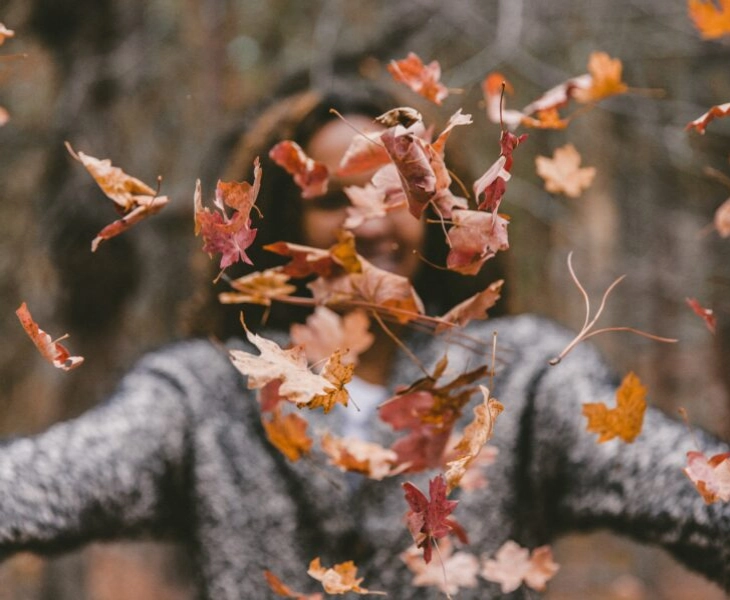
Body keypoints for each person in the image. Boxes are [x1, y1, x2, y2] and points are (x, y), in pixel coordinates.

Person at [1, 74, 729, 600]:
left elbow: (695, 495)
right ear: (282, 226)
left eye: (396, 191)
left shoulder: (523, 380)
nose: (370, 221)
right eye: (329, 201)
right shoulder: (206, 395)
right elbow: (44, 482)